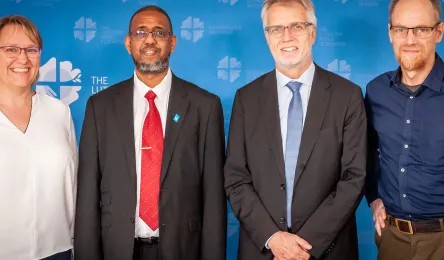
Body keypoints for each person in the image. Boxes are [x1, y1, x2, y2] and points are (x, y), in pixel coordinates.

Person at [74, 5, 227, 260]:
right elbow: (87, 194)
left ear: (173, 42)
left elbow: (213, 197)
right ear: (128, 42)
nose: (149, 40)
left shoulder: (205, 106)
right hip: (118, 249)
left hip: (182, 249)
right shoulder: (99, 107)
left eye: (159, 32)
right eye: (140, 32)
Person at [224, 0, 367, 259]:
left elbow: (354, 178)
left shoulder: (347, 96)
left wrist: (300, 247)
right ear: (267, 37)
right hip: (264, 250)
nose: (287, 36)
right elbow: (236, 178)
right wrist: (273, 238)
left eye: (297, 26)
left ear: (313, 32)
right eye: (276, 29)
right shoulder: (246, 99)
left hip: (327, 250)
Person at [0, 15, 77, 260]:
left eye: (31, 50)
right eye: (11, 49)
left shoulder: (59, 112)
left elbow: (74, 185)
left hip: (57, 251)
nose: (22, 59)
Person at [365, 0, 444, 259]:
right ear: (390, 33)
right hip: (392, 239)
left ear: (439, 32)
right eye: (401, 29)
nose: (410, 39)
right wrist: (373, 196)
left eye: (421, 29)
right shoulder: (376, 91)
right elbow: (365, 152)